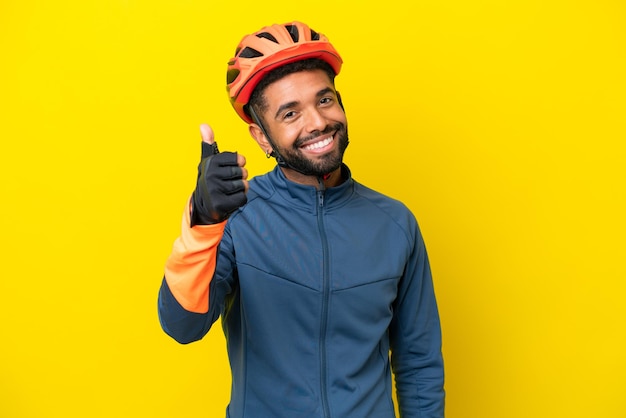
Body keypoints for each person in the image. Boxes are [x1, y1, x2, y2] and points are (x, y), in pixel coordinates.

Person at [158, 21, 445, 417]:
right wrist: (204, 224)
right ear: (262, 137)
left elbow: (418, 362)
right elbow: (182, 326)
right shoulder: (237, 218)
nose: (317, 123)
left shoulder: (396, 224)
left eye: (324, 100)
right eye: (290, 113)